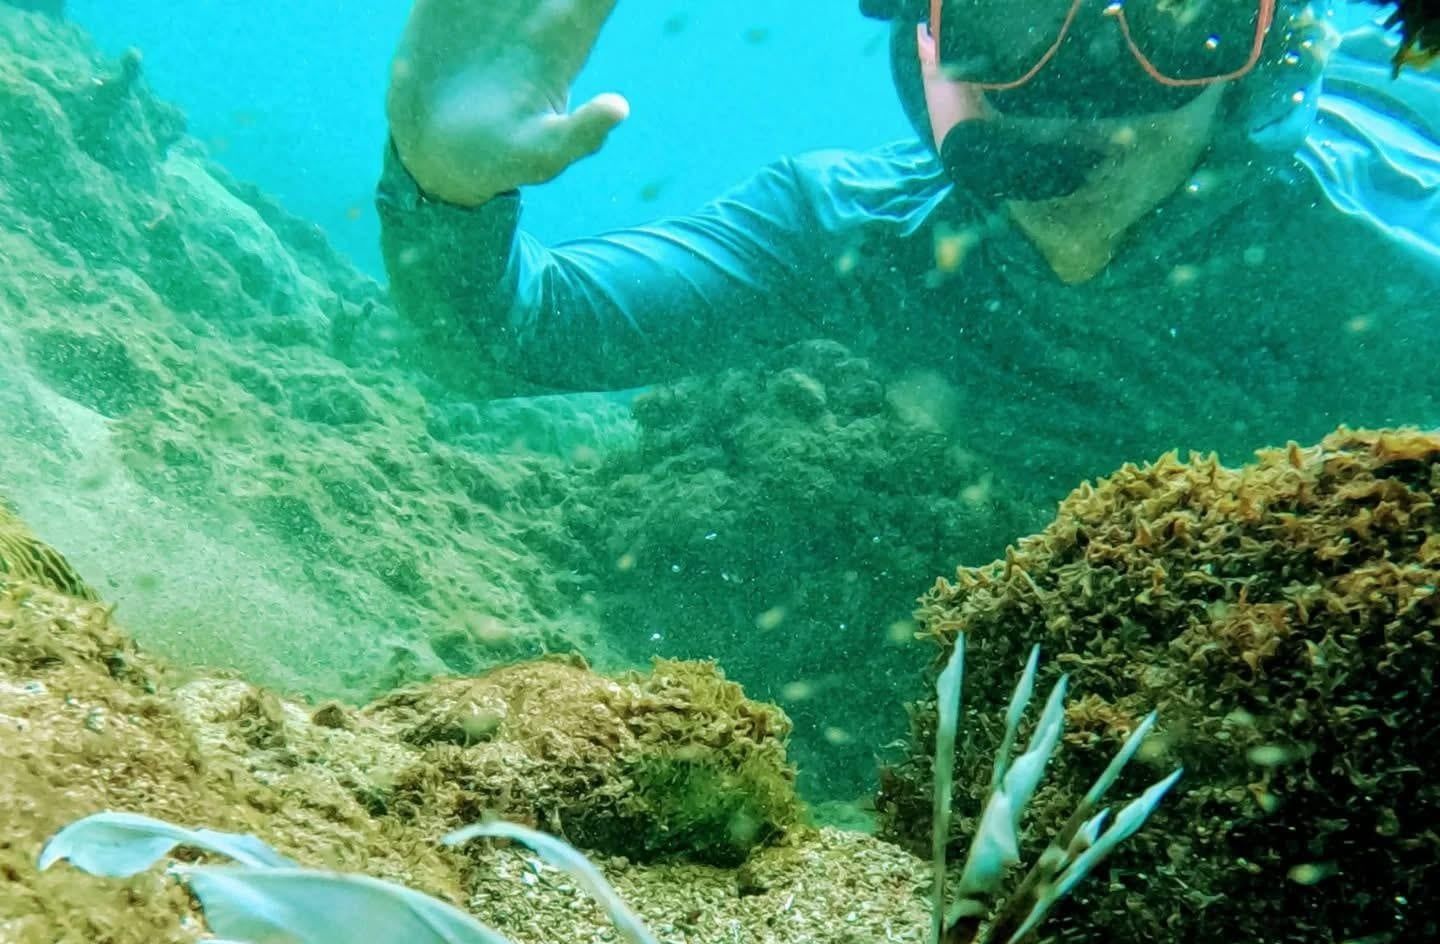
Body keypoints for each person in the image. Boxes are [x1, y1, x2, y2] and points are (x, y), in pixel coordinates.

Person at [376, 0, 1438, 499]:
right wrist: (443, 190)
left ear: (1262, 54)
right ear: (924, 35)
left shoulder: (1394, 254)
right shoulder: (861, 236)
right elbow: (498, 346)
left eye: (1169, 16)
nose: (1082, 88)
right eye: (1015, 10)